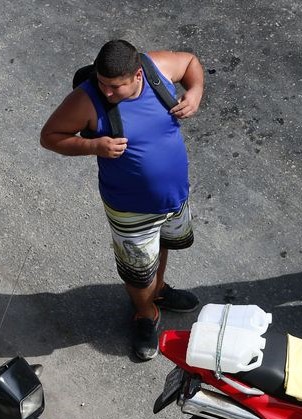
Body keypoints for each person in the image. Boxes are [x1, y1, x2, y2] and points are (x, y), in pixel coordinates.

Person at [40, 39, 205, 360]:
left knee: (162, 246)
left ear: (139, 74)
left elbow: (190, 63)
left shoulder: (158, 69)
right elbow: (50, 137)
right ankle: (145, 313)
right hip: (131, 209)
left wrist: (195, 92)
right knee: (137, 270)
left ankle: (157, 291)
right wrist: (94, 146)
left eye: (115, 86)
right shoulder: (85, 101)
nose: (107, 92)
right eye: (102, 83)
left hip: (174, 198)